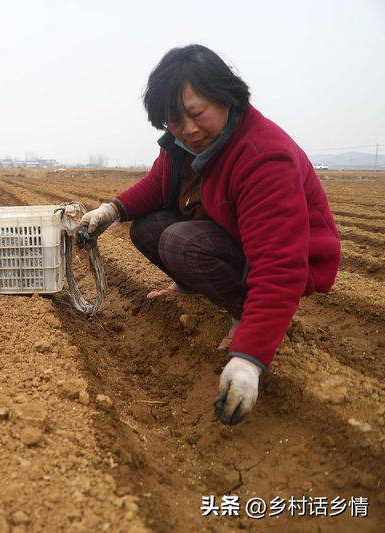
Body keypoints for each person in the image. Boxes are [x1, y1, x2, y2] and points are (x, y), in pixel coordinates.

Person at [79, 45, 340, 426]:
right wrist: (112, 210)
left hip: (290, 255)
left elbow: (279, 263)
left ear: (227, 97)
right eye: (172, 120)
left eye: (197, 114)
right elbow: (157, 183)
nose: (187, 129)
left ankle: (241, 308)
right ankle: (195, 285)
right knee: (148, 229)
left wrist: (250, 357)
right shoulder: (184, 143)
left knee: (179, 242)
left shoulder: (262, 156)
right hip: (231, 234)